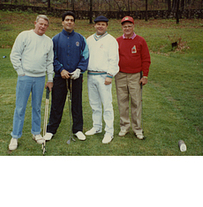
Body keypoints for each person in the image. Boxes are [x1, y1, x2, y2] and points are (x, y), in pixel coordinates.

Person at [8, 15, 54, 151]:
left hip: (40, 78)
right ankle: (15, 136)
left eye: (45, 25)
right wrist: (20, 72)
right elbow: (15, 54)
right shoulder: (24, 35)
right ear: (35, 23)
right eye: (40, 24)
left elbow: (49, 61)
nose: (43, 27)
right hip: (25, 77)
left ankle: (36, 133)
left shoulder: (48, 41)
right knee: (20, 108)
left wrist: (50, 79)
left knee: (37, 107)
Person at [44, 11, 89, 141]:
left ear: (74, 23)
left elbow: (85, 56)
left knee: (77, 103)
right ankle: (51, 130)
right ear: (62, 22)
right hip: (60, 77)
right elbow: (52, 58)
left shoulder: (81, 39)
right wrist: (61, 69)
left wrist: (79, 70)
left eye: (72, 20)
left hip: (76, 77)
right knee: (57, 104)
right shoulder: (55, 39)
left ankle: (78, 129)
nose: (69, 22)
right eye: (67, 20)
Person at [115, 16, 151, 140]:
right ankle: (124, 126)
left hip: (135, 76)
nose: (127, 28)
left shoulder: (141, 41)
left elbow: (146, 59)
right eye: (125, 26)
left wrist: (145, 75)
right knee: (122, 101)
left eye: (129, 26)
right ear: (122, 28)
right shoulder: (118, 41)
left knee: (136, 102)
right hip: (120, 75)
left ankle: (137, 129)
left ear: (133, 26)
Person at [86, 15, 119, 144]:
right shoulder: (89, 39)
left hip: (104, 76)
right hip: (91, 75)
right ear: (95, 25)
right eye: (98, 24)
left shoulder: (111, 40)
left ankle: (109, 132)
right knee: (94, 104)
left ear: (106, 26)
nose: (100, 26)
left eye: (103, 24)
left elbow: (114, 59)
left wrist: (110, 75)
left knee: (107, 104)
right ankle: (97, 126)